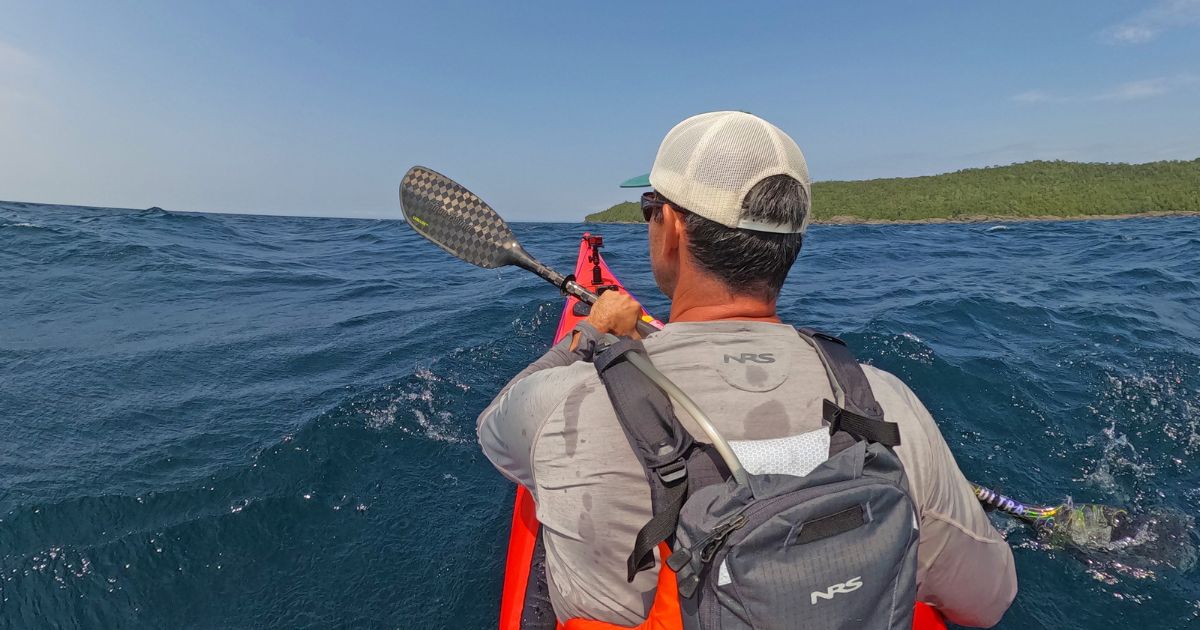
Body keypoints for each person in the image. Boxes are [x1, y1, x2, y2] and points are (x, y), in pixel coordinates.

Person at [478, 111, 1017, 628]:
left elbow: (495, 433)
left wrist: (591, 335)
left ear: (671, 230)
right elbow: (987, 602)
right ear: (791, 244)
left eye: (650, 208)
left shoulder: (568, 403)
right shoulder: (884, 401)